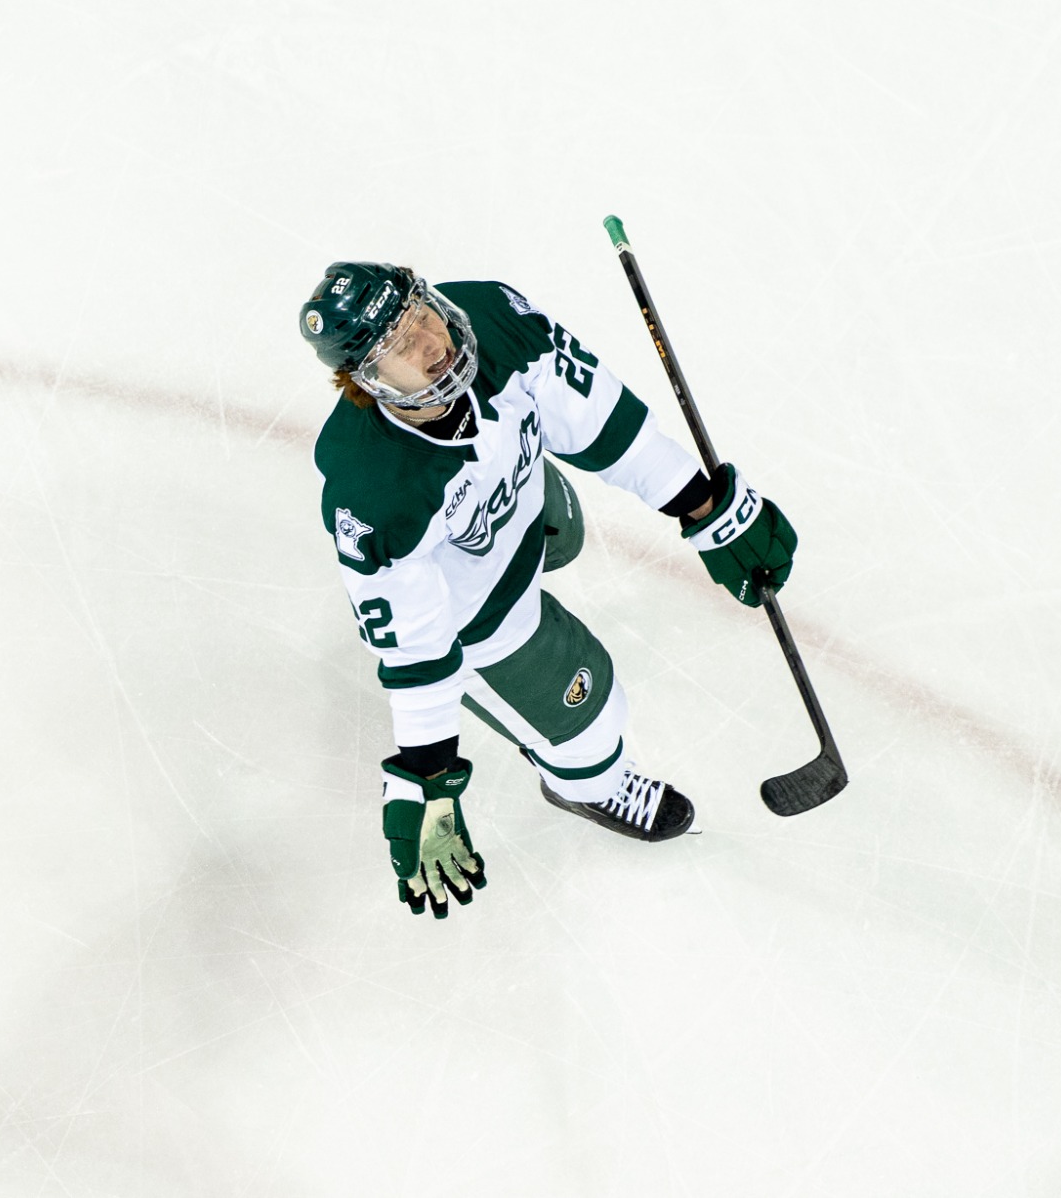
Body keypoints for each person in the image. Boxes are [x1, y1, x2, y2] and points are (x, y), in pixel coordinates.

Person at [300, 263, 798, 918]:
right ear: (366, 385)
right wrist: (426, 774)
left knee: (561, 526)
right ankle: (591, 785)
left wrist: (703, 504)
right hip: (476, 618)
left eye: (420, 314)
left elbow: (597, 420)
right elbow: (417, 650)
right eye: (397, 349)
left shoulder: (492, 317)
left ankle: (528, 538)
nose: (429, 342)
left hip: (517, 506)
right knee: (595, 714)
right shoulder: (375, 493)